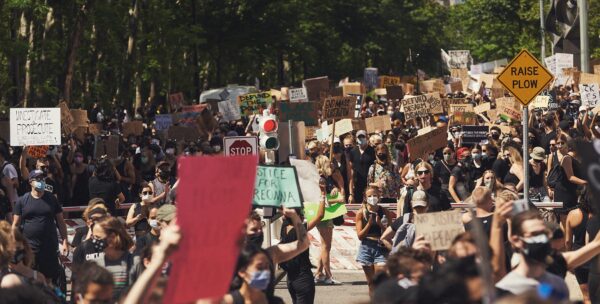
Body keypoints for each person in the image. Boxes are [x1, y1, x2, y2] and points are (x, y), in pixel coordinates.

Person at [12, 169, 69, 288]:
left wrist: (65, 242)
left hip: (49, 248)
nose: (41, 181)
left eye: (43, 178)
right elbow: (15, 225)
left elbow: (61, 222)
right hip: (30, 248)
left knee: (48, 280)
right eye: (38, 179)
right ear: (30, 182)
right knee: (30, 279)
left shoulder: (52, 199)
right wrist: (13, 244)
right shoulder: (22, 201)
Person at [495, 210, 569, 301]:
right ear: (516, 240)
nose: (542, 239)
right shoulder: (505, 289)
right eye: (535, 234)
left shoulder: (558, 285)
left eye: (544, 233)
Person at [279, 183, 325, 303]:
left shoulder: (284, 228)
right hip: (303, 278)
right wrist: (323, 195)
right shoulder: (299, 230)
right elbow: (320, 215)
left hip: (290, 279)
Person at [355, 186, 393, 293]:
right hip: (366, 247)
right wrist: (369, 223)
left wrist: (380, 224)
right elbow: (360, 236)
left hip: (381, 246)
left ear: (379, 197)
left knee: (380, 282)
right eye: (370, 196)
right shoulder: (361, 213)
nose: (372, 198)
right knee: (371, 283)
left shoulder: (385, 212)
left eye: (375, 195)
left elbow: (391, 233)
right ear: (365, 198)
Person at [90, 216, 138, 301]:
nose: (94, 241)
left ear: (112, 237)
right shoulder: (94, 264)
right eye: (93, 238)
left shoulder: (135, 262)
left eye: (97, 237)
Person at [313, 155, 343, 285]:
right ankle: (328, 275)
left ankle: (319, 273)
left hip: (327, 214)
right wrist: (338, 200)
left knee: (325, 246)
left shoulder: (327, 178)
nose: (331, 166)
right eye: (329, 164)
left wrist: (335, 189)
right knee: (326, 246)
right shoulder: (321, 180)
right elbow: (322, 199)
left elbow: (328, 194)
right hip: (323, 214)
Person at [548, 134, 586, 229]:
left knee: (568, 221)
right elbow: (571, 177)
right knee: (565, 221)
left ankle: (566, 242)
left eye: (562, 143)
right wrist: (586, 183)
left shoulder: (573, 158)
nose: (560, 145)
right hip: (564, 193)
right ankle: (564, 243)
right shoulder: (567, 158)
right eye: (558, 143)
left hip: (569, 192)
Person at [348, 130, 376, 204]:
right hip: (357, 185)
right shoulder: (353, 152)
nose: (361, 139)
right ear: (356, 138)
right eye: (359, 137)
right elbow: (351, 170)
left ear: (367, 137)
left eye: (363, 136)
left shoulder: (373, 151)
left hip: (370, 185)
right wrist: (351, 191)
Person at [0, 145, 18, 218]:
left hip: (13, 202)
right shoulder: (1, 168)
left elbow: (16, 183)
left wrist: (6, 183)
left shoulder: (8, 167)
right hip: (6, 202)